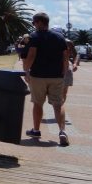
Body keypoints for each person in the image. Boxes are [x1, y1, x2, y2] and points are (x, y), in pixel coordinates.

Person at [22, 14, 70, 146]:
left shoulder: (35, 37)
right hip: (56, 76)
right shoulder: (59, 37)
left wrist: (26, 71)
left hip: (38, 76)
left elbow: (31, 55)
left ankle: (36, 130)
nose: (33, 25)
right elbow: (65, 57)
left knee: (38, 103)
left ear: (38, 22)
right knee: (58, 104)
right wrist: (64, 72)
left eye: (33, 23)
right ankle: (62, 131)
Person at [63, 38, 79, 103]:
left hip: (67, 68)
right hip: (53, 68)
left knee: (64, 92)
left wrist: (75, 63)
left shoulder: (68, 42)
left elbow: (76, 54)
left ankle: (61, 106)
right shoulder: (50, 41)